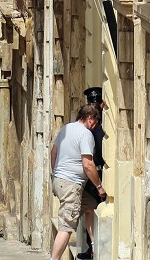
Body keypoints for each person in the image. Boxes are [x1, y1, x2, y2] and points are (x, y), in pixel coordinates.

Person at [50, 105, 105, 260]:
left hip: (61, 181)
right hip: (71, 185)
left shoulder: (66, 128)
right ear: (90, 118)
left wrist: (55, 174)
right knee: (66, 227)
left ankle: (94, 246)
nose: (95, 126)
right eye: (95, 122)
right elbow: (88, 164)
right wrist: (99, 186)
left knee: (90, 207)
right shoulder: (85, 134)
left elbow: (53, 152)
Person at [79, 89, 107, 260]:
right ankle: (91, 249)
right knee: (90, 211)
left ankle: (93, 249)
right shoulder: (91, 128)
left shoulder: (99, 127)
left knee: (92, 211)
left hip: (98, 171)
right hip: (92, 173)